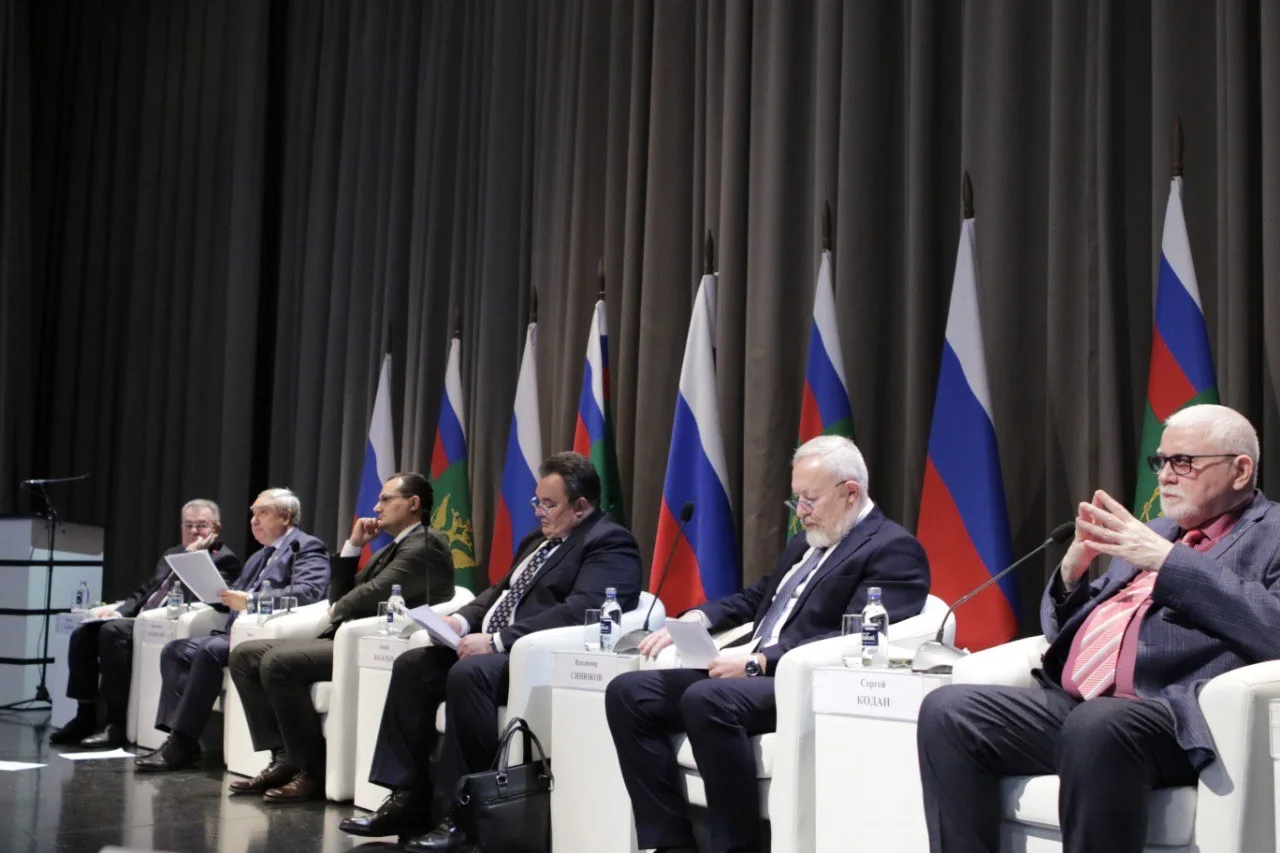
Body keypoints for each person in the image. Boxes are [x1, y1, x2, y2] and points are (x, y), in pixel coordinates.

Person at [917, 404, 1280, 853]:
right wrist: (1072, 574)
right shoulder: (1158, 530)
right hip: (1080, 707)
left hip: (1170, 712)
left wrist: (1169, 562)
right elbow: (1065, 630)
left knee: (1097, 724)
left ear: (1240, 470)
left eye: (1183, 462)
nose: (1166, 476)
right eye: (1161, 461)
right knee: (948, 711)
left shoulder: (1269, 534)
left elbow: (1272, 626)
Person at [605, 435, 930, 853]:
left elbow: (856, 638)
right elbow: (757, 596)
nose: (801, 513)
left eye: (809, 500)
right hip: (748, 671)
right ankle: (670, 844)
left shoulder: (893, 548)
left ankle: (736, 846)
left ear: (850, 493)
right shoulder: (808, 541)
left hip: (803, 682)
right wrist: (699, 618)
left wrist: (759, 661)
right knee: (628, 693)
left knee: (708, 698)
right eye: (796, 501)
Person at [338, 451, 642, 849]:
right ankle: (406, 799)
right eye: (536, 502)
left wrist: (498, 641)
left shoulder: (609, 542)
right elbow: (501, 591)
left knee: (468, 674)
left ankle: (465, 817)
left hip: (538, 659)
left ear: (581, 506)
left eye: (549, 504)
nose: (538, 512)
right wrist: (460, 622)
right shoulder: (538, 540)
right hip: (497, 649)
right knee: (413, 664)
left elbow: (582, 609)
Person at [227, 472, 456, 803]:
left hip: (381, 643)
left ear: (413, 503)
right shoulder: (393, 547)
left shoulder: (425, 544)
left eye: (385, 499)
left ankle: (311, 770)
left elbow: (374, 592)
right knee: (245, 655)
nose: (376, 507)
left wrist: (333, 612)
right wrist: (354, 546)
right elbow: (344, 592)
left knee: (277, 663)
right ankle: (284, 757)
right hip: (351, 638)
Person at [134, 487, 330, 772]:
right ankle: (180, 739)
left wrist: (250, 600)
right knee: (176, 650)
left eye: (262, 513)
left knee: (210, 650)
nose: (254, 520)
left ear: (285, 517)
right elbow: (233, 595)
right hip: (235, 631)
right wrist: (211, 589)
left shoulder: (307, 547)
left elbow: (308, 591)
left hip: (265, 636)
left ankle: (180, 744)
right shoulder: (259, 556)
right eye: (252, 514)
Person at [49, 499, 242, 748]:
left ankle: (115, 723)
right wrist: (118, 611)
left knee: (112, 632)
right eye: (188, 525)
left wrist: (194, 559)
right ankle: (84, 716)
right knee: (84, 633)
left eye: (201, 526)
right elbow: (144, 592)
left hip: (167, 621)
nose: (194, 531)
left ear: (216, 529)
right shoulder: (172, 554)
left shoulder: (225, 559)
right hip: (139, 617)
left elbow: (217, 600)